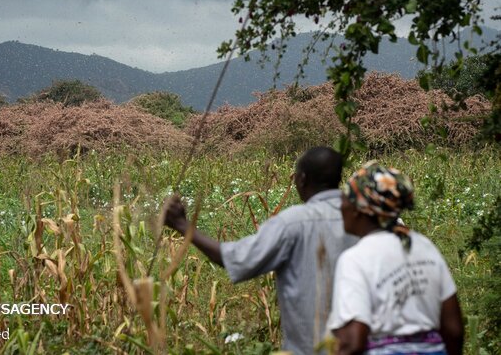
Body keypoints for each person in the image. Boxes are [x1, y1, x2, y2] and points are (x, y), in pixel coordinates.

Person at [164, 146, 358, 354]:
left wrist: (183, 226)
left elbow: (237, 259)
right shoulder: (364, 218)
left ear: (301, 179)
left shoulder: (292, 222)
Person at [328, 161, 464, 355]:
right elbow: (454, 330)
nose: (340, 207)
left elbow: (353, 343)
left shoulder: (355, 259)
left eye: (345, 199)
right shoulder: (424, 246)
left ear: (360, 210)